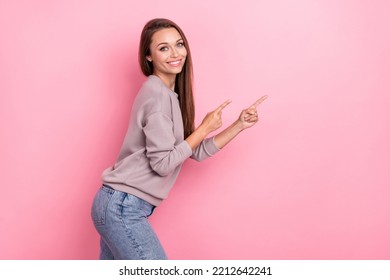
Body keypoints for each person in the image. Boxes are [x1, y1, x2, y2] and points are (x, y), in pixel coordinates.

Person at [91, 18, 267, 260]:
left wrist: (238, 125)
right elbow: (163, 164)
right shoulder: (157, 96)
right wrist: (203, 128)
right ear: (149, 56)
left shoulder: (168, 95)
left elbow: (194, 151)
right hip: (123, 206)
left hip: (120, 203)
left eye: (179, 44)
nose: (175, 53)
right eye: (163, 48)